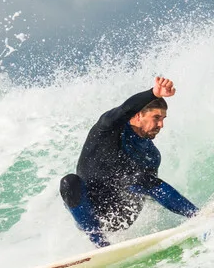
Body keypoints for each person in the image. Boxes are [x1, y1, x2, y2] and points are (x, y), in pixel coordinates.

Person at [60, 77, 198, 247]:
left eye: (163, 119)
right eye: (156, 117)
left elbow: (150, 189)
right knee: (69, 182)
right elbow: (125, 109)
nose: (161, 124)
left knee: (142, 179)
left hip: (121, 215)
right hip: (89, 211)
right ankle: (100, 243)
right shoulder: (109, 128)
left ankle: (197, 216)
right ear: (138, 115)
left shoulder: (151, 154)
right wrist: (152, 93)